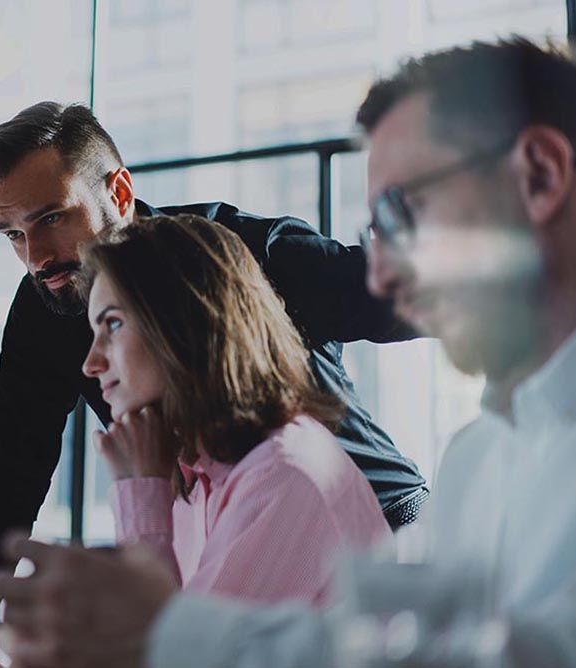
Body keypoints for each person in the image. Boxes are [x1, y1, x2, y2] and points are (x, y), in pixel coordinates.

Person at [0, 38, 576, 668]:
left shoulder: (285, 458)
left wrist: (161, 632)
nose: (385, 275)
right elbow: (395, 646)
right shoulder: (480, 458)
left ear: (541, 175)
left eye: (401, 214)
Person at [0, 101, 426, 663]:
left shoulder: (228, 257)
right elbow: (6, 482)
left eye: (52, 217)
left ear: (118, 192)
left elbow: (401, 297)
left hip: (368, 531)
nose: (36, 257)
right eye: (14, 235)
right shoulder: (50, 303)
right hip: (222, 514)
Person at [82, 215, 389, 603]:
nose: (90, 364)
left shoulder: (282, 476)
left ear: (187, 321)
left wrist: (140, 495)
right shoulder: (194, 476)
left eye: (112, 325)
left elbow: (173, 651)